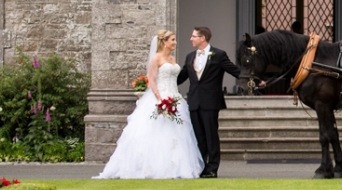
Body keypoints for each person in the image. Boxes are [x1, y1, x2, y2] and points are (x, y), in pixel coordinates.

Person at [95, 30, 205, 179]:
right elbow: (152, 80)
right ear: (164, 42)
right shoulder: (156, 59)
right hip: (161, 97)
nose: (175, 42)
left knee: (179, 133)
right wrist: (160, 99)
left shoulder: (172, 59)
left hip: (175, 98)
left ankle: (176, 167)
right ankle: (151, 167)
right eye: (173, 40)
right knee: (157, 132)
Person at [177, 26, 242, 178]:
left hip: (211, 102)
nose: (191, 39)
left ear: (202, 38)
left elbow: (234, 70)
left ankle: (212, 168)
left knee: (211, 135)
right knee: (198, 136)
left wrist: (254, 80)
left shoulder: (219, 55)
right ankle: (201, 166)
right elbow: (181, 77)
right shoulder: (189, 57)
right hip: (194, 101)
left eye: (194, 36)